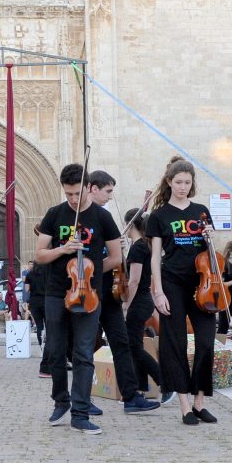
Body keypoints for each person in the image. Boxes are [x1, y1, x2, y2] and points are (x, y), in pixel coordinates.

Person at [147, 156, 221, 425]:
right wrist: (158, 291)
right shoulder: (159, 216)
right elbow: (155, 257)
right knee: (174, 342)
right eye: (178, 182)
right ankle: (185, 405)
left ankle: (200, 402)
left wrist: (210, 238)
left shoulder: (200, 210)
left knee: (205, 341)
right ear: (169, 182)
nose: (183, 187)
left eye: (187, 182)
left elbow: (210, 253)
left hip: (202, 283)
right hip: (172, 282)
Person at [88, 170, 161, 415]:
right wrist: (109, 253)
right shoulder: (82, 219)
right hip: (89, 291)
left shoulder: (106, 217)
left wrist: (115, 250)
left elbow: (116, 259)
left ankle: (131, 396)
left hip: (111, 294)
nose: (110, 196)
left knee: (122, 344)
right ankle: (79, 399)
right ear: (92, 188)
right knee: (85, 346)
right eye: (108, 191)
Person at [123, 208, 173, 404]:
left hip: (138, 300)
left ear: (130, 224)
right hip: (144, 299)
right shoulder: (145, 246)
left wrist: (126, 304)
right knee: (135, 344)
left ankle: (164, 382)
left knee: (133, 347)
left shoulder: (137, 247)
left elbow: (133, 281)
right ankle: (140, 387)